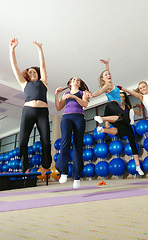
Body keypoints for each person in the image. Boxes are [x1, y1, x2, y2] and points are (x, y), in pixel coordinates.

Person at [91, 59, 144, 175]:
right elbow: (100, 91)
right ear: (103, 79)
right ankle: (102, 119)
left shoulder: (112, 85)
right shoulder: (107, 85)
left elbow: (108, 76)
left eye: (109, 74)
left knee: (128, 136)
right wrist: (92, 95)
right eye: (106, 75)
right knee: (123, 117)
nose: (108, 75)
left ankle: (138, 166)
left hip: (119, 118)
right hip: (110, 107)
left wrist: (107, 65)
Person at [9, 38, 52, 176]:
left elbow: (43, 65)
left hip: (42, 112)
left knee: (45, 140)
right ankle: (25, 167)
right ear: (27, 75)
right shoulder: (24, 83)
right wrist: (12, 49)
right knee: (22, 140)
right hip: (28, 111)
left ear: (38, 74)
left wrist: (40, 49)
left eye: (34, 71)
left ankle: (45, 165)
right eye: (30, 72)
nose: (32, 73)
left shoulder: (43, 82)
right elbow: (14, 65)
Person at [54, 77, 90, 188]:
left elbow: (85, 104)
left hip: (79, 117)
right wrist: (56, 94)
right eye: (73, 79)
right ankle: (63, 172)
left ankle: (77, 177)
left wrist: (74, 96)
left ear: (79, 84)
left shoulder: (82, 93)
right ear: (70, 83)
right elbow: (59, 107)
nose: (76, 80)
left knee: (77, 145)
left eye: (78, 80)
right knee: (65, 142)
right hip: (66, 118)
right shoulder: (65, 94)